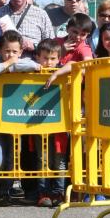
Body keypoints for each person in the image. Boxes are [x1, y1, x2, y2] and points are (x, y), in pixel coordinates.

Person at [0, 30, 42, 206]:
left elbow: (32, 65)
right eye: (7, 51)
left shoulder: (19, 59)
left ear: (21, 51)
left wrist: (14, 63)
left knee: (13, 157)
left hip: (15, 119)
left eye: (14, 52)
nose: (11, 54)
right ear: (0, 50)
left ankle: (4, 192)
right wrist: (7, 63)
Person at [32, 39, 68, 208]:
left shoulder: (61, 71)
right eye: (45, 58)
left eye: (53, 58)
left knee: (59, 160)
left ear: (59, 58)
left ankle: (59, 192)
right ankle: (43, 192)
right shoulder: (32, 71)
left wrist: (55, 74)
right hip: (38, 124)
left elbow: (75, 64)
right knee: (43, 158)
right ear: (38, 57)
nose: (49, 62)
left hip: (59, 124)